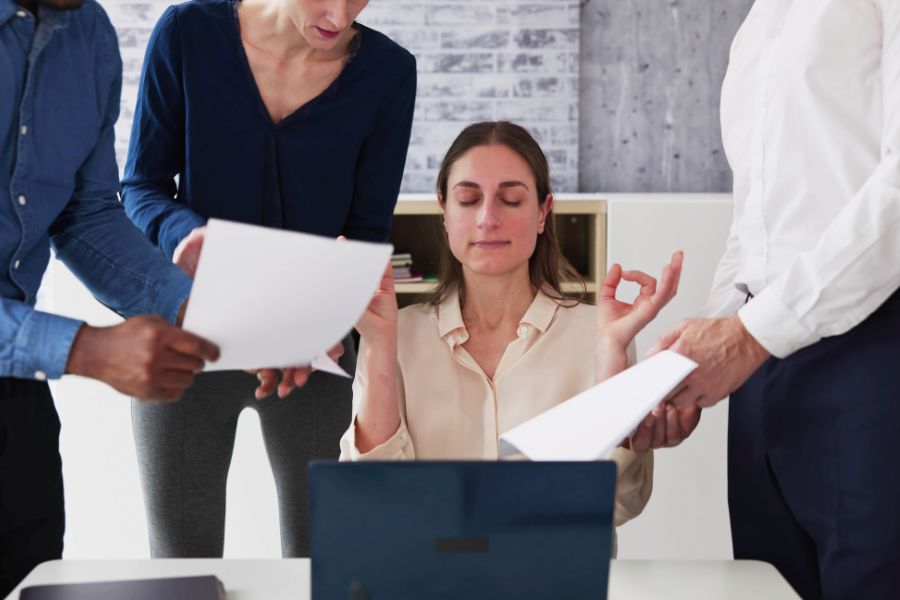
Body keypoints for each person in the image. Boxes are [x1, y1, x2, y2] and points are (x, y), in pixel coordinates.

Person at [122, 0, 416, 558]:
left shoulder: (389, 73)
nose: (340, 13)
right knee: (181, 560)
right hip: (189, 333)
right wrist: (185, 236)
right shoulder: (186, 34)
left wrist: (333, 304)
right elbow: (141, 185)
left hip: (314, 350)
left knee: (322, 559)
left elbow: (367, 227)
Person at [650, 2, 900, 597]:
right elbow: (756, 220)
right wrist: (704, 350)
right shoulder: (758, 24)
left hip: (872, 344)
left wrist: (746, 337)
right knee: (769, 585)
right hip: (762, 365)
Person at [340, 121, 690, 541]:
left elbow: (616, 503)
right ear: (445, 213)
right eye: (468, 199)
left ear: (543, 212)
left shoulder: (597, 335)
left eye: (510, 200)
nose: (487, 218)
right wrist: (378, 345)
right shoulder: (400, 336)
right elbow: (375, 498)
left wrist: (613, 353)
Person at [0, 0, 221, 594]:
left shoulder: (89, 33)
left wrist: (200, 311)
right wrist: (84, 350)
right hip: (38, 351)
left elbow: (84, 211)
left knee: (31, 578)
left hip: (15, 393)